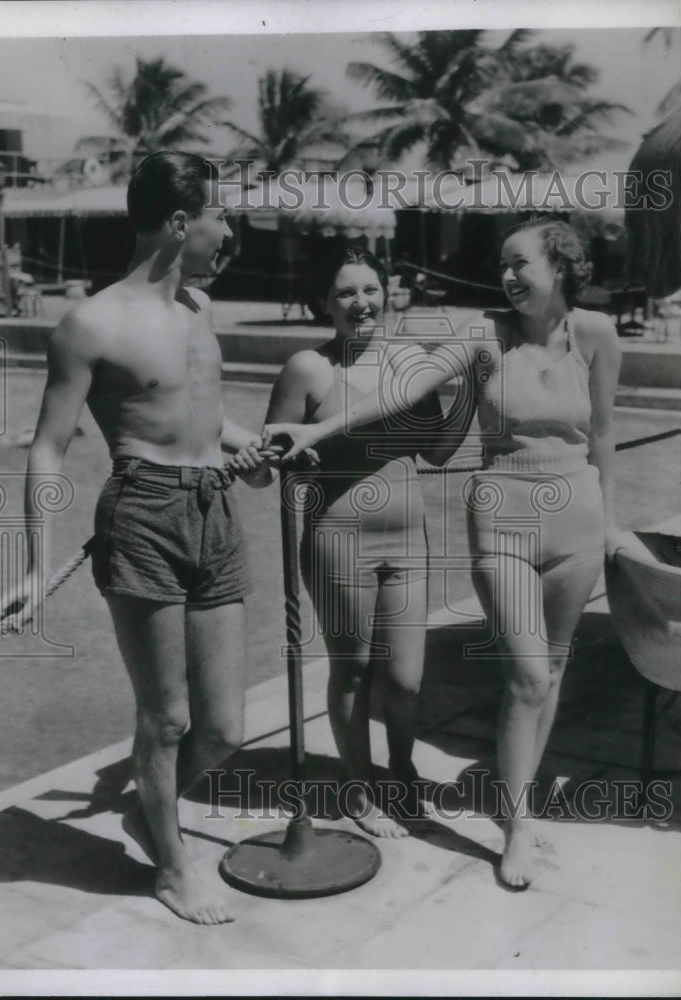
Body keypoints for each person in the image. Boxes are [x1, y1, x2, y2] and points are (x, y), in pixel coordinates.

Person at [264, 218, 627, 886]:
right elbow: (400, 390)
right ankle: (515, 827)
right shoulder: (480, 333)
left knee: (550, 672)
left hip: (577, 512)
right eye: (501, 266)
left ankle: (519, 802)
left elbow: (602, 434)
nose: (508, 276)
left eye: (519, 264)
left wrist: (610, 524)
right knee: (524, 674)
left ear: (560, 266)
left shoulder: (597, 334)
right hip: (501, 510)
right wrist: (318, 425)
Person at [0, 151, 269, 924]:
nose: (228, 234)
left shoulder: (199, 310)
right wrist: (32, 562)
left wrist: (246, 451)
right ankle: (174, 869)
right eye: (221, 217)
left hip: (214, 508)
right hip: (143, 512)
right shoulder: (91, 322)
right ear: (182, 223)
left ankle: (154, 810)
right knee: (168, 718)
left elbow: (206, 421)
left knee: (223, 727)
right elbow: (51, 446)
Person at [243, 246, 450, 836]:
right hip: (339, 540)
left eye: (370, 290)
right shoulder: (309, 368)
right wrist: (262, 461)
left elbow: (436, 450)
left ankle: (402, 768)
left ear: (389, 294)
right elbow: (266, 467)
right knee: (354, 669)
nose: (361, 303)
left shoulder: (413, 362)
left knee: (407, 680)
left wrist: (469, 390)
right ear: (323, 305)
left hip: (410, 539)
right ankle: (359, 787)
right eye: (345, 294)